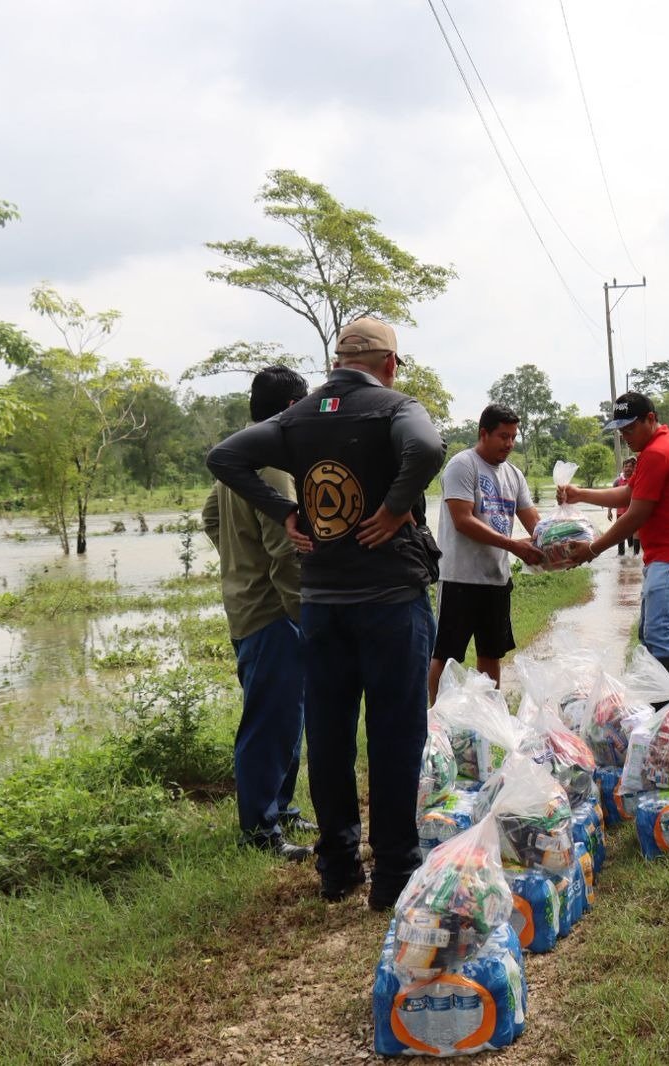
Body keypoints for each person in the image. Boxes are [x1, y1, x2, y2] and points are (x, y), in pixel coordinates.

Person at [207, 317, 445, 911]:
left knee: (330, 736)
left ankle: (338, 866)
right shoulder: (394, 408)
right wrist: (393, 510)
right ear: (390, 363)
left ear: (336, 362)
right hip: (391, 601)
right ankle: (392, 873)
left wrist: (284, 508)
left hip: (321, 607)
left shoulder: (297, 417)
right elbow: (429, 447)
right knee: (395, 735)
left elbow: (224, 456)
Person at [202, 365, 316, 862]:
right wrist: (304, 618)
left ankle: (280, 808)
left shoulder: (242, 460)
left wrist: (235, 560)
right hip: (273, 614)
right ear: (290, 408)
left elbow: (210, 516)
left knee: (286, 717)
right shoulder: (273, 469)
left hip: (247, 606)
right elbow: (286, 553)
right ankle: (259, 831)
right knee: (268, 723)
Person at [559, 392, 669, 693]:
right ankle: (662, 712)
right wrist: (581, 494)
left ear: (650, 419)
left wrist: (591, 549)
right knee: (650, 633)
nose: (625, 436)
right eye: (621, 430)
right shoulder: (658, 447)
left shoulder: (658, 452)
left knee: (660, 634)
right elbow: (629, 495)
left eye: (629, 428)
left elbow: (636, 513)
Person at [428, 404, 543, 700]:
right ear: (484, 433)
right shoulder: (462, 465)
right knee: (446, 654)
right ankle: (437, 721)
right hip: (460, 578)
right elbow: (463, 520)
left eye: (513, 437)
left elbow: (534, 523)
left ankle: (490, 717)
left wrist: (562, 542)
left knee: (491, 653)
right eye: (503, 436)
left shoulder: (514, 475)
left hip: (496, 579)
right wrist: (514, 546)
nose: (509, 443)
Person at [611, 456, 640, 556]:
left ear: (633, 468)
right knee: (620, 534)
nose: (628, 468)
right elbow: (612, 496)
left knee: (636, 533)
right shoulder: (617, 481)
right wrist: (609, 511)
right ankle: (621, 555)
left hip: (634, 512)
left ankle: (636, 556)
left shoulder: (637, 479)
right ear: (623, 468)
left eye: (630, 466)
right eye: (625, 466)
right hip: (621, 512)